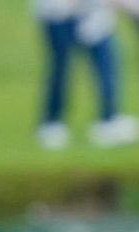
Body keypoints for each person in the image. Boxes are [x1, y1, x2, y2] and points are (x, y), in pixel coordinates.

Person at [35, 0, 138, 149]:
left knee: (107, 65)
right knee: (61, 68)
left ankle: (109, 119)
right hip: (59, 13)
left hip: (95, 18)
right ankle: (52, 123)